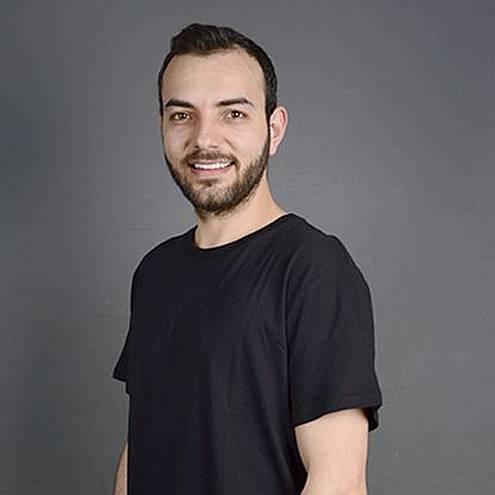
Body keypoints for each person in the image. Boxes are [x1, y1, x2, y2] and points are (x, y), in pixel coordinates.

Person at [111, 22, 383, 495]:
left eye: (233, 114)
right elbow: (143, 446)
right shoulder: (154, 272)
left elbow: (338, 481)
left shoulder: (313, 269)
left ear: (273, 129)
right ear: (162, 126)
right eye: (182, 115)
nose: (205, 139)